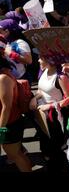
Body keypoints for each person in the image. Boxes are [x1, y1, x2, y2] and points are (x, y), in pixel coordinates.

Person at [29, 57, 69, 171]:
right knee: (46, 148)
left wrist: (49, 106)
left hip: (55, 117)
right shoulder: (44, 71)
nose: (38, 61)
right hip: (42, 114)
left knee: (55, 150)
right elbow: (41, 90)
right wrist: (35, 98)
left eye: (41, 58)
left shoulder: (61, 76)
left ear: (50, 60)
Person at [0, 36, 32, 172]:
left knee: (15, 155)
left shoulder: (3, 78)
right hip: (11, 121)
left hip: (9, 123)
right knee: (17, 153)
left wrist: (0, 129)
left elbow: (6, 107)